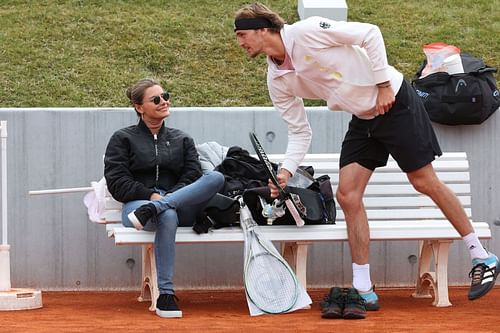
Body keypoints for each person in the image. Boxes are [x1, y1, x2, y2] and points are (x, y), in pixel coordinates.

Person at [234, 2, 498, 319]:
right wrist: (287, 170)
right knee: (348, 194)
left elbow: (369, 34)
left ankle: (481, 256)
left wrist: (384, 84)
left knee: (423, 181)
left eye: (243, 34)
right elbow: (299, 130)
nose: (241, 42)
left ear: (264, 30)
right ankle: (363, 287)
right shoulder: (277, 80)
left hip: (395, 101)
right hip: (363, 117)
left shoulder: (306, 31)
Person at [104, 78, 224, 318]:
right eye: (156, 99)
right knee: (166, 214)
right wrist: (151, 195)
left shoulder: (182, 139)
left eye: (165, 96)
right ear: (139, 108)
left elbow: (193, 175)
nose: (164, 102)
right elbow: (117, 182)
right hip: (138, 208)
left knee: (216, 178)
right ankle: (166, 295)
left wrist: (168, 197)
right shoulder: (123, 139)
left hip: (179, 204)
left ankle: (158, 207)